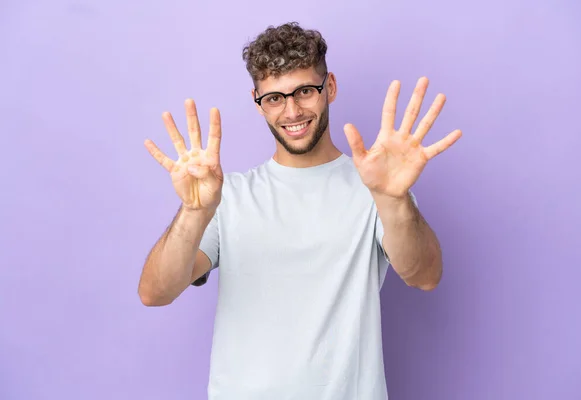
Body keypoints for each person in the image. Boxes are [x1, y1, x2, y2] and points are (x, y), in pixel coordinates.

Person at [138, 22, 462, 400]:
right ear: (258, 102)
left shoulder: (377, 188)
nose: (292, 111)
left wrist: (393, 199)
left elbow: (425, 275)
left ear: (331, 88)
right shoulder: (229, 196)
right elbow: (155, 292)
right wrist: (194, 211)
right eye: (274, 98)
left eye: (305, 91)